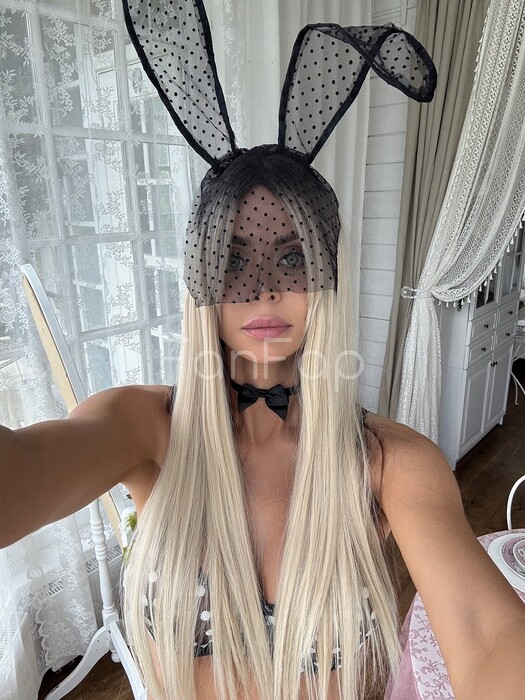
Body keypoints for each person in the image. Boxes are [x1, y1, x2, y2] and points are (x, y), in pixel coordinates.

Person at [2, 4, 525, 700]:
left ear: (329, 275)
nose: (265, 290)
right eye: (232, 261)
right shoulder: (143, 429)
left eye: (292, 257)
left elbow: (487, 637)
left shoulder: (391, 463)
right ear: (199, 278)